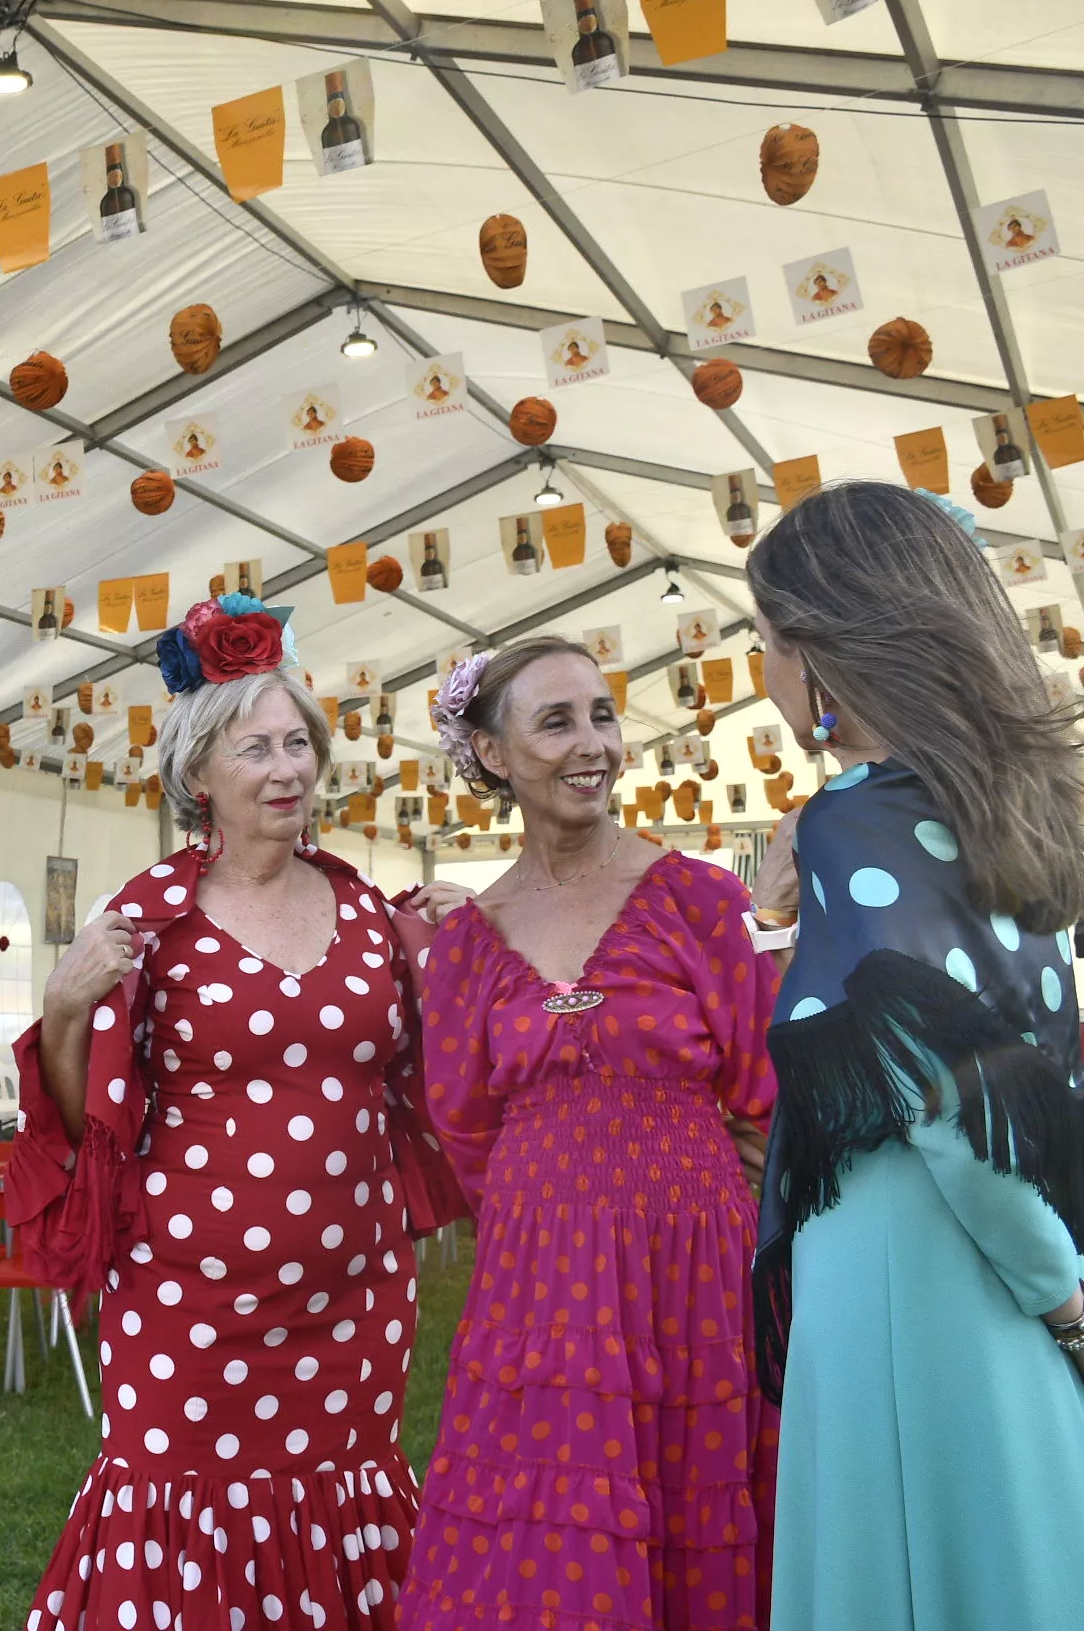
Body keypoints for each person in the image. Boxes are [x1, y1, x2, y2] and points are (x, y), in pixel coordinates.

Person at [7, 595, 467, 1631]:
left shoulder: (365, 907)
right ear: (199, 770)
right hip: (187, 1308)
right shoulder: (148, 919)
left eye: (298, 740)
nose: (288, 767)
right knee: (182, 1517)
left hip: (355, 1300)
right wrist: (65, 1008)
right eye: (257, 746)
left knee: (350, 1488)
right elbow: (87, 1124)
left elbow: (424, 1084)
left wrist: (460, 960)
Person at [746, 482, 1084, 1628]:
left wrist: (1069, 1316)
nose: (764, 670)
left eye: (766, 639)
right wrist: (1062, 1285)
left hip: (913, 1257)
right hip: (1003, 1242)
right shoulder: (999, 801)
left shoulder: (851, 819)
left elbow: (946, 1101)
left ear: (823, 653)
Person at [400, 638, 781, 1630]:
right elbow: (462, 1126)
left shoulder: (701, 898)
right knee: (549, 1529)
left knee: (693, 1507)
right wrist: (561, 1210)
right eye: (558, 720)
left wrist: (706, 1188)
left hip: (692, 1272)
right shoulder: (468, 942)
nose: (593, 743)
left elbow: (768, 1085)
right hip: (538, 1283)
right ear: (490, 751)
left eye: (604, 715)